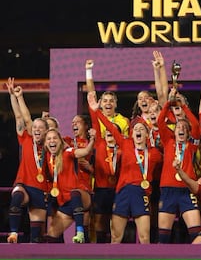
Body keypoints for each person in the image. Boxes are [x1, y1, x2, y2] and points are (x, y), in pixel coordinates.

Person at [88, 91, 163, 244]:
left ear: (148, 134)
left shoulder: (155, 153)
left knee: (144, 238)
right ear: (131, 133)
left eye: (142, 129)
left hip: (141, 193)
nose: (138, 131)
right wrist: (97, 111)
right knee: (115, 237)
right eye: (135, 130)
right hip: (122, 192)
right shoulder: (126, 144)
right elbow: (110, 127)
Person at [6, 78, 49, 243]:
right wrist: (15, 96)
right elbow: (20, 117)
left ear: (46, 132)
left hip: (40, 189)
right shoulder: (26, 139)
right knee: (16, 197)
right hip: (24, 183)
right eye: (34, 127)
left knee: (36, 237)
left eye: (40, 128)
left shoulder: (50, 145)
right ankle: (14, 233)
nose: (36, 129)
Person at [157, 87, 201, 243]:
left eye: (184, 128)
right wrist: (168, 103)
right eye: (178, 127)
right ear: (174, 131)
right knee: (163, 236)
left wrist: (184, 106)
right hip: (168, 189)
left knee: (196, 233)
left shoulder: (192, 145)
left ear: (188, 133)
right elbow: (159, 122)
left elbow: (196, 126)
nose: (181, 129)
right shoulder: (168, 141)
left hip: (187, 189)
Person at [44, 128, 96, 243]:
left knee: (74, 193)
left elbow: (85, 151)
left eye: (54, 138)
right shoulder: (48, 157)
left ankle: (80, 232)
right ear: (46, 143)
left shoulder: (67, 152)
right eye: (49, 139)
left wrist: (92, 139)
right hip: (66, 203)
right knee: (51, 236)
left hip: (81, 197)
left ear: (60, 141)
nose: (52, 141)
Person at [88, 103, 122, 243]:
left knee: (116, 223)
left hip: (118, 190)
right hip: (101, 190)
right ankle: (100, 251)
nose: (110, 133)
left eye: (113, 131)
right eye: (108, 131)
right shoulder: (100, 144)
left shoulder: (123, 149)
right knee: (99, 222)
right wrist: (94, 109)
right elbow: (96, 123)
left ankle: (116, 251)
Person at [85, 59, 130, 138]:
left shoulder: (124, 120)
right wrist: (88, 70)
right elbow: (91, 94)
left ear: (116, 104)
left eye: (111, 101)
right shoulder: (97, 118)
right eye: (105, 101)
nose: (108, 103)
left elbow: (113, 130)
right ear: (100, 104)